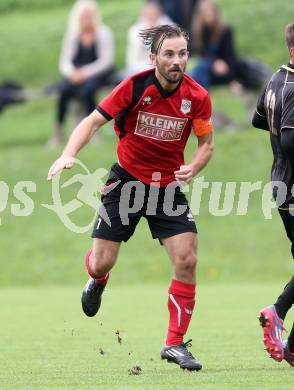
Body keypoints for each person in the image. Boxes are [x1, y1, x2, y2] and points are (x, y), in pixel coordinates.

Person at [47, 24, 214, 371]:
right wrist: (68, 153)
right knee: (102, 261)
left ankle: (174, 343)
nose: (177, 60)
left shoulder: (197, 96)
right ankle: (96, 279)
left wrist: (194, 167)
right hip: (125, 182)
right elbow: (92, 122)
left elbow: (206, 144)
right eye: (169, 54)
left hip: (167, 187)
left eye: (182, 53)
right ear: (153, 57)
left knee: (187, 259)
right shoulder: (134, 86)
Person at [252, 22, 294, 367]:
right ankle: (277, 311)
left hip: (280, 181)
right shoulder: (293, 83)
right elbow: (291, 141)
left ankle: (292, 347)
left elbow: (258, 120)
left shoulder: (275, 79)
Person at [49, 0, 114, 147]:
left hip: (98, 74)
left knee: (89, 90)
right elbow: (65, 61)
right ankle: (58, 132)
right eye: (83, 16)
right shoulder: (73, 34)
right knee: (63, 91)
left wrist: (85, 72)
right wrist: (72, 73)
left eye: (89, 15)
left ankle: (92, 130)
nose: (86, 19)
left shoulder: (103, 33)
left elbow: (106, 61)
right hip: (76, 74)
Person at [190, 0, 241, 94]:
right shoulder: (200, 31)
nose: (208, 15)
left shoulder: (225, 30)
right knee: (200, 69)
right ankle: (202, 95)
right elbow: (202, 53)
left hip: (223, 70)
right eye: (205, 13)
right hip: (207, 69)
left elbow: (230, 55)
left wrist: (231, 80)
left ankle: (203, 95)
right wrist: (214, 63)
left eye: (210, 11)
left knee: (198, 70)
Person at [124, 1, 172, 76]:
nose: (151, 16)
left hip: (163, 67)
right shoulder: (134, 31)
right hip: (139, 68)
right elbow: (132, 60)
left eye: (154, 13)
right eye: (148, 14)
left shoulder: (168, 27)